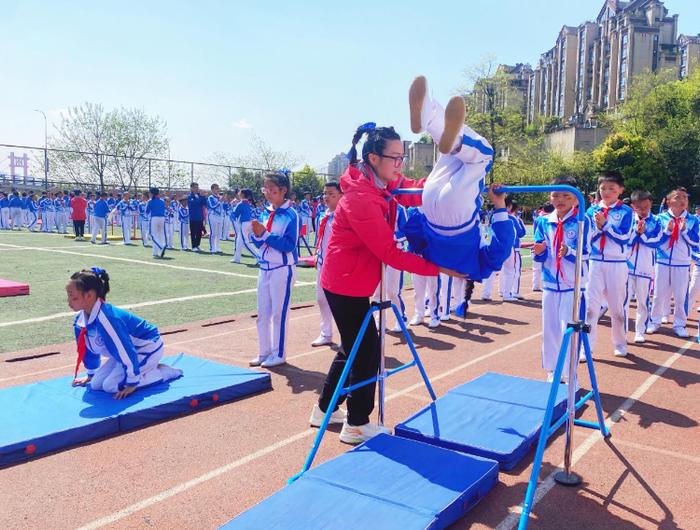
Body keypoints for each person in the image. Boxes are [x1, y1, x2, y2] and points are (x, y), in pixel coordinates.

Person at [312, 123, 467, 445]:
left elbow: (412, 188)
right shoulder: (361, 199)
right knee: (367, 352)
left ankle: (324, 408)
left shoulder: (382, 180)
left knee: (352, 347)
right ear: (373, 157)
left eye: (402, 156)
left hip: (352, 279)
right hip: (345, 284)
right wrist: (438, 267)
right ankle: (356, 423)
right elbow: (388, 253)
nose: (400, 164)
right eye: (394, 157)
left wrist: (450, 186)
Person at [401, 75, 515, 278]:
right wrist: (421, 212)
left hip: (458, 217)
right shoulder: (433, 259)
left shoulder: (478, 270)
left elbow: (503, 247)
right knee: (452, 152)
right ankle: (428, 116)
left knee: (484, 155)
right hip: (430, 203)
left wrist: (500, 208)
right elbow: (412, 233)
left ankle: (433, 120)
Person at [68, 268, 182, 398]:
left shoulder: (108, 320)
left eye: (73, 296)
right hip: (127, 352)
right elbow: (86, 349)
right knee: (96, 384)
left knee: (110, 386)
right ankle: (143, 369)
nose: (68, 301)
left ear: (89, 295)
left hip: (147, 348)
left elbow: (125, 350)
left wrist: (132, 382)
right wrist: (91, 373)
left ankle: (164, 372)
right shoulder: (80, 320)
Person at [533, 176, 591, 382]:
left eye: (566, 195)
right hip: (550, 285)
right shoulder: (542, 221)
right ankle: (552, 370)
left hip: (572, 287)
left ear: (576, 199)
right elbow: (540, 253)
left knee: (569, 331)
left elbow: (586, 253)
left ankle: (569, 374)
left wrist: (568, 251)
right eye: (555, 194)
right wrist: (539, 251)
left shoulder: (583, 220)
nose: (560, 199)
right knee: (549, 330)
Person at [249, 172, 300, 368]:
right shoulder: (265, 211)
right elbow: (259, 238)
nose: (268, 193)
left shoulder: (291, 215)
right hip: (264, 268)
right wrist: (257, 235)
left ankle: (279, 353)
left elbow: (289, 245)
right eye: (266, 189)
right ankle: (264, 352)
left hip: (282, 269)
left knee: (279, 313)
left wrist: (265, 235)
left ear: (283, 191)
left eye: (272, 190)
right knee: (263, 313)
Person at [585, 170, 634, 358]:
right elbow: (587, 237)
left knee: (617, 308)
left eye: (611, 188)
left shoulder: (626, 211)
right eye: (603, 188)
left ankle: (620, 343)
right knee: (591, 307)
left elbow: (624, 237)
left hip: (617, 264)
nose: (606, 192)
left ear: (620, 190)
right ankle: (586, 346)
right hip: (595, 263)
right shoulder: (591, 210)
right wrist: (599, 228)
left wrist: (605, 226)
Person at [647, 187, 700, 337]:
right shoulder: (660, 218)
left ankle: (679, 324)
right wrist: (668, 231)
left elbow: (696, 241)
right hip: (662, 261)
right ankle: (654, 321)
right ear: (669, 201)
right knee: (658, 294)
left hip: (682, 263)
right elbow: (656, 240)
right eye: (678, 197)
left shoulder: (693, 220)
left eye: (685, 197)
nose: (683, 200)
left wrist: (684, 230)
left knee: (680, 296)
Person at [626, 190, 663, 343]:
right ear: (633, 206)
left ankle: (640, 331)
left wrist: (642, 235)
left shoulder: (656, 221)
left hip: (645, 267)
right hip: (626, 266)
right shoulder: (627, 220)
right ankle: (622, 334)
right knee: (623, 301)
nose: (644, 210)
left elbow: (657, 241)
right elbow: (624, 240)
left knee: (642, 301)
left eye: (646, 207)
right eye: (640, 207)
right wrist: (636, 232)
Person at [312, 181, 343, 347]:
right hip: (322, 263)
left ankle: (347, 336)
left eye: (331, 194)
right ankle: (326, 333)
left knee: (340, 303)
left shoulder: (343, 215)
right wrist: (317, 254)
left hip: (338, 266)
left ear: (341, 195)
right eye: (325, 194)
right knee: (321, 299)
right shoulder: (323, 215)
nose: (326, 197)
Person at [500, 198, 526, 301]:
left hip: (499, 246)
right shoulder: (513, 218)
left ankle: (500, 291)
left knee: (501, 270)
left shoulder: (495, 216)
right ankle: (513, 292)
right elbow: (521, 233)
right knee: (513, 271)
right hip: (513, 248)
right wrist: (519, 220)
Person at [231, 188, 258, 263]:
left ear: (242, 195)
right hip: (247, 223)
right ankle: (237, 258)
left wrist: (232, 205)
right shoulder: (247, 203)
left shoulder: (241, 203)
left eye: (239, 192)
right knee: (239, 241)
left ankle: (259, 257)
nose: (238, 193)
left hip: (244, 224)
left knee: (246, 243)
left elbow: (235, 214)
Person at [147, 187, 167, 258]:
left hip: (154, 218)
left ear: (152, 193)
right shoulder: (162, 201)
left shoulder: (150, 201)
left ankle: (161, 247)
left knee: (153, 236)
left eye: (150, 193)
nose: (149, 194)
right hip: (162, 218)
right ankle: (155, 252)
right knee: (160, 235)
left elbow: (147, 212)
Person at [187, 182, 207, 252]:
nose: (197, 189)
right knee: (193, 232)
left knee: (199, 232)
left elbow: (204, 203)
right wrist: (199, 198)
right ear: (191, 188)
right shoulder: (189, 196)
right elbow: (194, 204)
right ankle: (193, 246)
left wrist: (203, 196)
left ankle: (197, 245)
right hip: (193, 217)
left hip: (200, 217)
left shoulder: (199, 196)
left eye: (197, 187)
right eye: (195, 187)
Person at [207, 184, 224, 254]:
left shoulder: (219, 197)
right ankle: (212, 248)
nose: (218, 190)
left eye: (218, 188)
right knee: (213, 233)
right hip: (213, 216)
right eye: (216, 189)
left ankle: (217, 247)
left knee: (219, 233)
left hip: (219, 217)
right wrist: (219, 201)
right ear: (212, 190)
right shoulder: (210, 197)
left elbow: (222, 208)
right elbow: (212, 206)